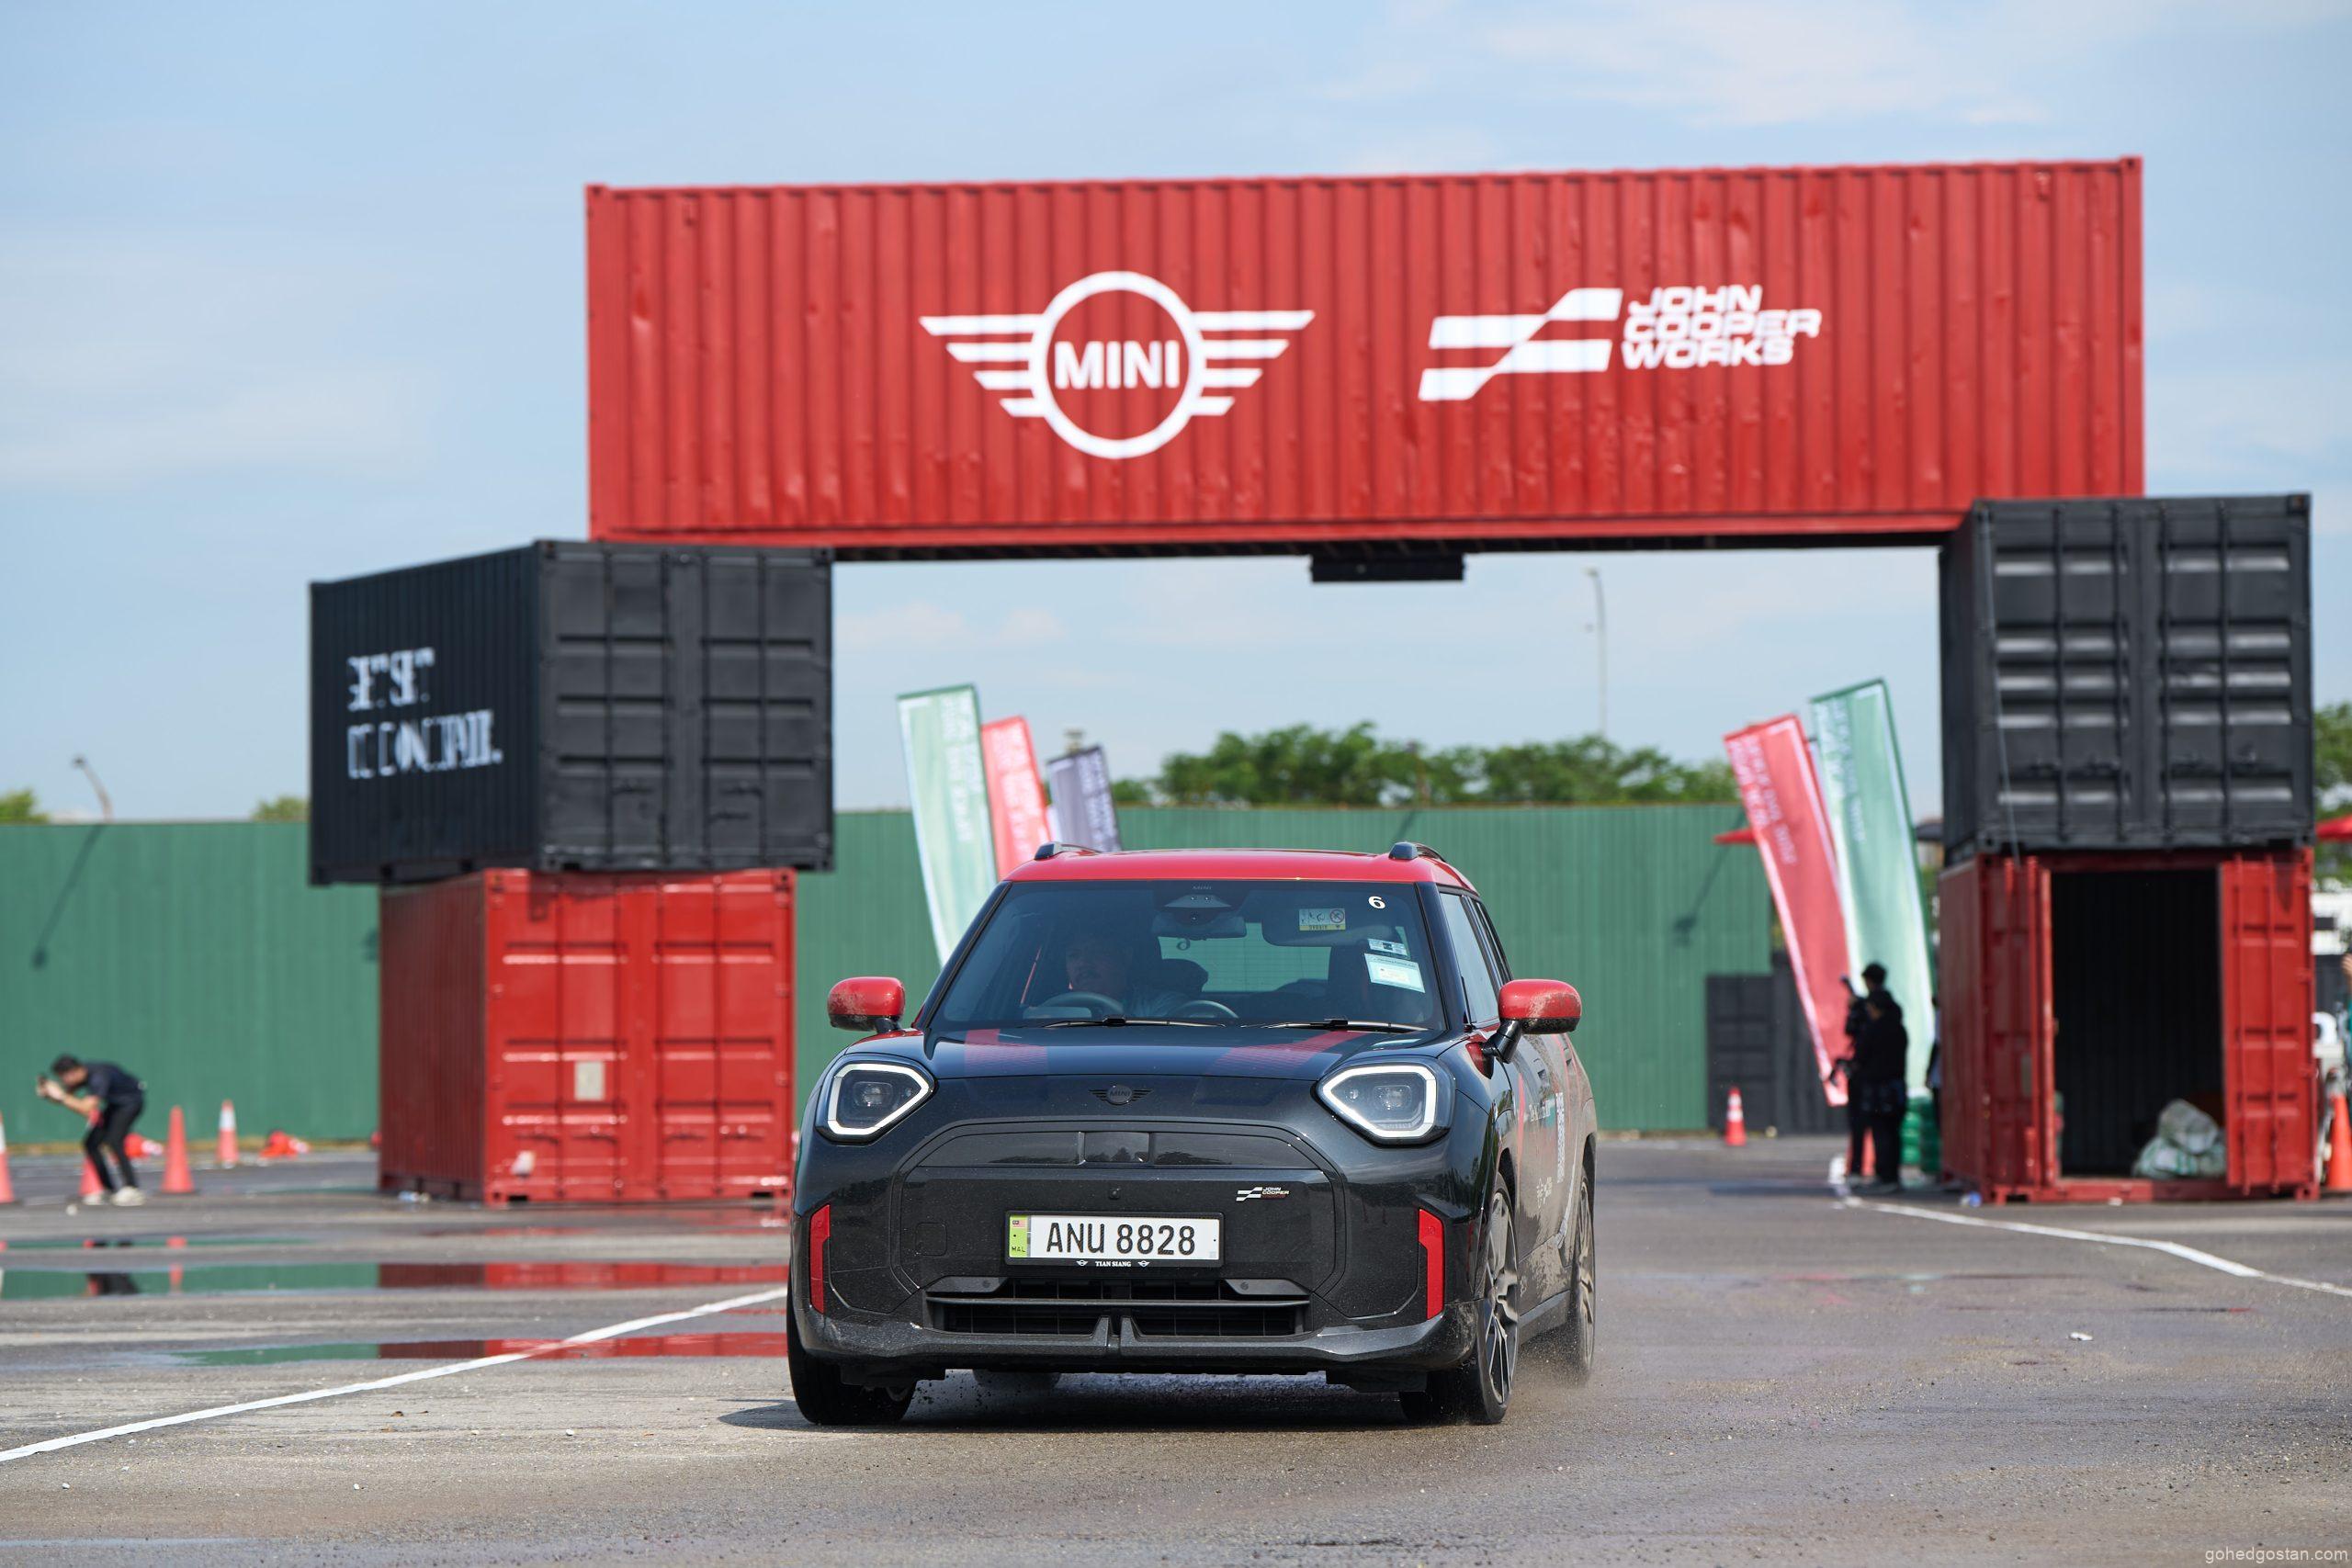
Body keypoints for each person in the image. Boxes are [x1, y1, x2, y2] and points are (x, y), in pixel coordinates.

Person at [1831, 964, 1908, 1192]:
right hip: (1896, 1086)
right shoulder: (1899, 1028)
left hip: (1875, 1087)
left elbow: (1858, 1047)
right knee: (1892, 1132)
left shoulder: (1873, 1029)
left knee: (1876, 1130)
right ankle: (1891, 1175)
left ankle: (1880, 1174)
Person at [36, 1054, 147, 1206]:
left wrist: (61, 1096)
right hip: (115, 1106)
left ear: (73, 1073)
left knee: (115, 1141)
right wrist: (49, 1095)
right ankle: (109, 1190)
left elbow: (85, 1108)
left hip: (131, 1103)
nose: (63, 1082)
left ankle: (132, 1189)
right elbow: (69, 1099)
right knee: (91, 1144)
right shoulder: (82, 1074)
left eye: (63, 1078)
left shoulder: (98, 1077)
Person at [1057, 930, 1188, 1018]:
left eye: (1096, 952)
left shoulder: (1164, 1005)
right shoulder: (1053, 1011)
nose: (1083, 963)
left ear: (1125, 957)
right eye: (1074, 955)